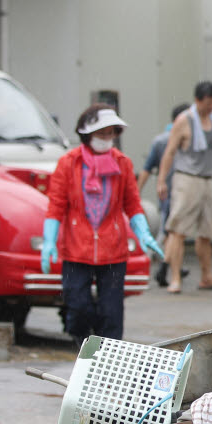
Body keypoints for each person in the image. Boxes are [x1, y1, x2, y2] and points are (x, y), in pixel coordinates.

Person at [40, 104, 164, 348]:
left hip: (113, 248)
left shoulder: (123, 164)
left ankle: (109, 355)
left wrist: (144, 234)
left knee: (112, 311)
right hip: (76, 248)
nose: (107, 139)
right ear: (87, 134)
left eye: (111, 134)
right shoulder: (69, 163)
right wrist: (48, 241)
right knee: (78, 305)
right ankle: (83, 343)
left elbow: (132, 203)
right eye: (101, 134)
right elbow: (56, 205)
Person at [157, 81, 212, 293]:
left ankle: (206, 277)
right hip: (187, 179)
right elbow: (170, 152)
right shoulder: (184, 121)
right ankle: (175, 278)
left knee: (206, 232)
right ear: (199, 100)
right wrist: (161, 181)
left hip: (207, 179)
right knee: (178, 230)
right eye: (210, 103)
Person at [138, 102, 191, 287]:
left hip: (171, 192)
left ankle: (168, 266)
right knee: (173, 233)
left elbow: (147, 168)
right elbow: (148, 167)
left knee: (172, 232)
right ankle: (165, 266)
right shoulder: (168, 140)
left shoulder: (163, 139)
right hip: (175, 192)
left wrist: (137, 192)